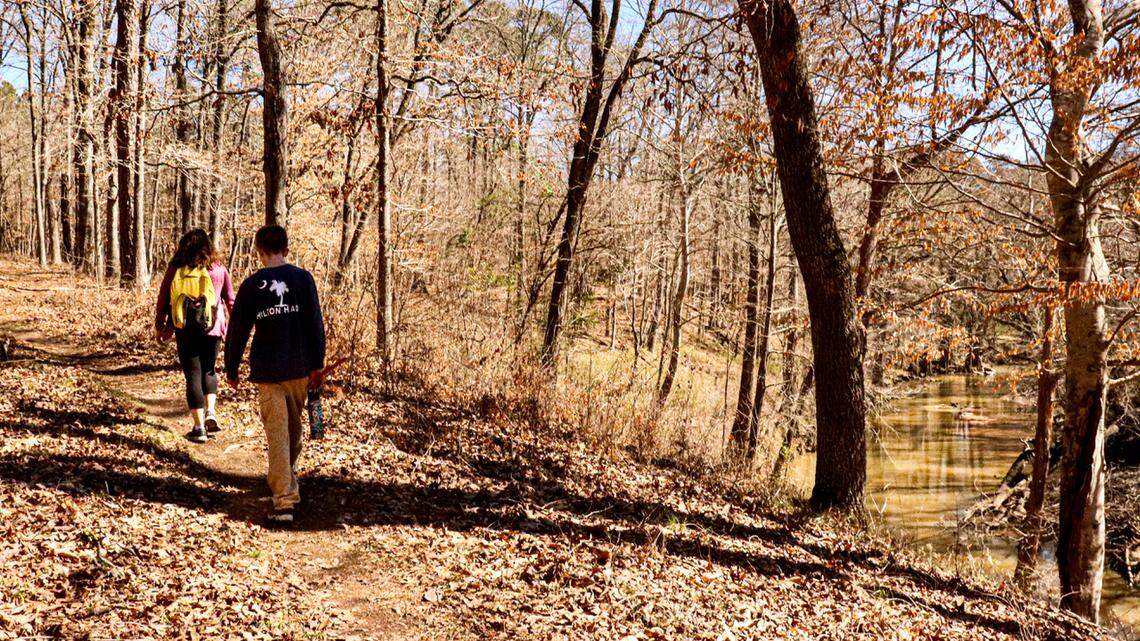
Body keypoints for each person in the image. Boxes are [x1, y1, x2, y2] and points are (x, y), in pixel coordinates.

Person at [225, 225, 325, 526]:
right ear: (286, 248)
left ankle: (284, 478)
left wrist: (231, 367)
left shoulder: (258, 283)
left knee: (290, 434)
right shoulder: (298, 279)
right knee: (282, 435)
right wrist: (316, 363)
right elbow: (316, 325)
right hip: (285, 372)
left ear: (259, 251)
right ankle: (284, 500)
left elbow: (237, 331)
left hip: (282, 371)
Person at [155, 229, 236, 443]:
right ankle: (211, 412)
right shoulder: (218, 269)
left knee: (193, 374)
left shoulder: (177, 268)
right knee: (209, 370)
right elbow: (230, 300)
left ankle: (199, 428)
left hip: (185, 327)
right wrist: (235, 329)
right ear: (209, 247)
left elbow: (163, 297)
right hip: (213, 327)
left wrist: (161, 325)